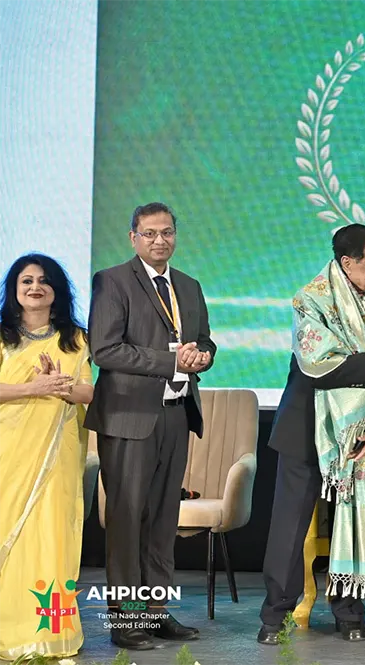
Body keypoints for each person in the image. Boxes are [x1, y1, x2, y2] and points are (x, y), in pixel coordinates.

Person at [257, 224, 365, 644]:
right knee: (290, 527)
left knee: (355, 518)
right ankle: (274, 616)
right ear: (347, 263)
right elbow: (319, 366)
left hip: (361, 431)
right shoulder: (310, 299)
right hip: (307, 428)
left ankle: (349, 612)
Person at [86, 203, 216, 650]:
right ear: (133, 237)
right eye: (149, 233)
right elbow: (105, 350)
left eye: (167, 232)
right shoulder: (112, 281)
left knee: (163, 522)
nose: (160, 240)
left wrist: (202, 356)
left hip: (176, 414)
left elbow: (205, 340)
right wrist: (170, 361)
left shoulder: (189, 286)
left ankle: (155, 612)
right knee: (127, 522)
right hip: (128, 418)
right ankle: (127, 621)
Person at [0, 255, 93, 661]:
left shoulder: (76, 339)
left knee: (53, 537)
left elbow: (90, 392)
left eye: (43, 280)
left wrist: (62, 386)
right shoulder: (2, 337)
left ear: (57, 289)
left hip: (57, 456)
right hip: (8, 453)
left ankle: (50, 634)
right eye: (26, 281)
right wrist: (34, 387)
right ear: (14, 290)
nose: (35, 287)